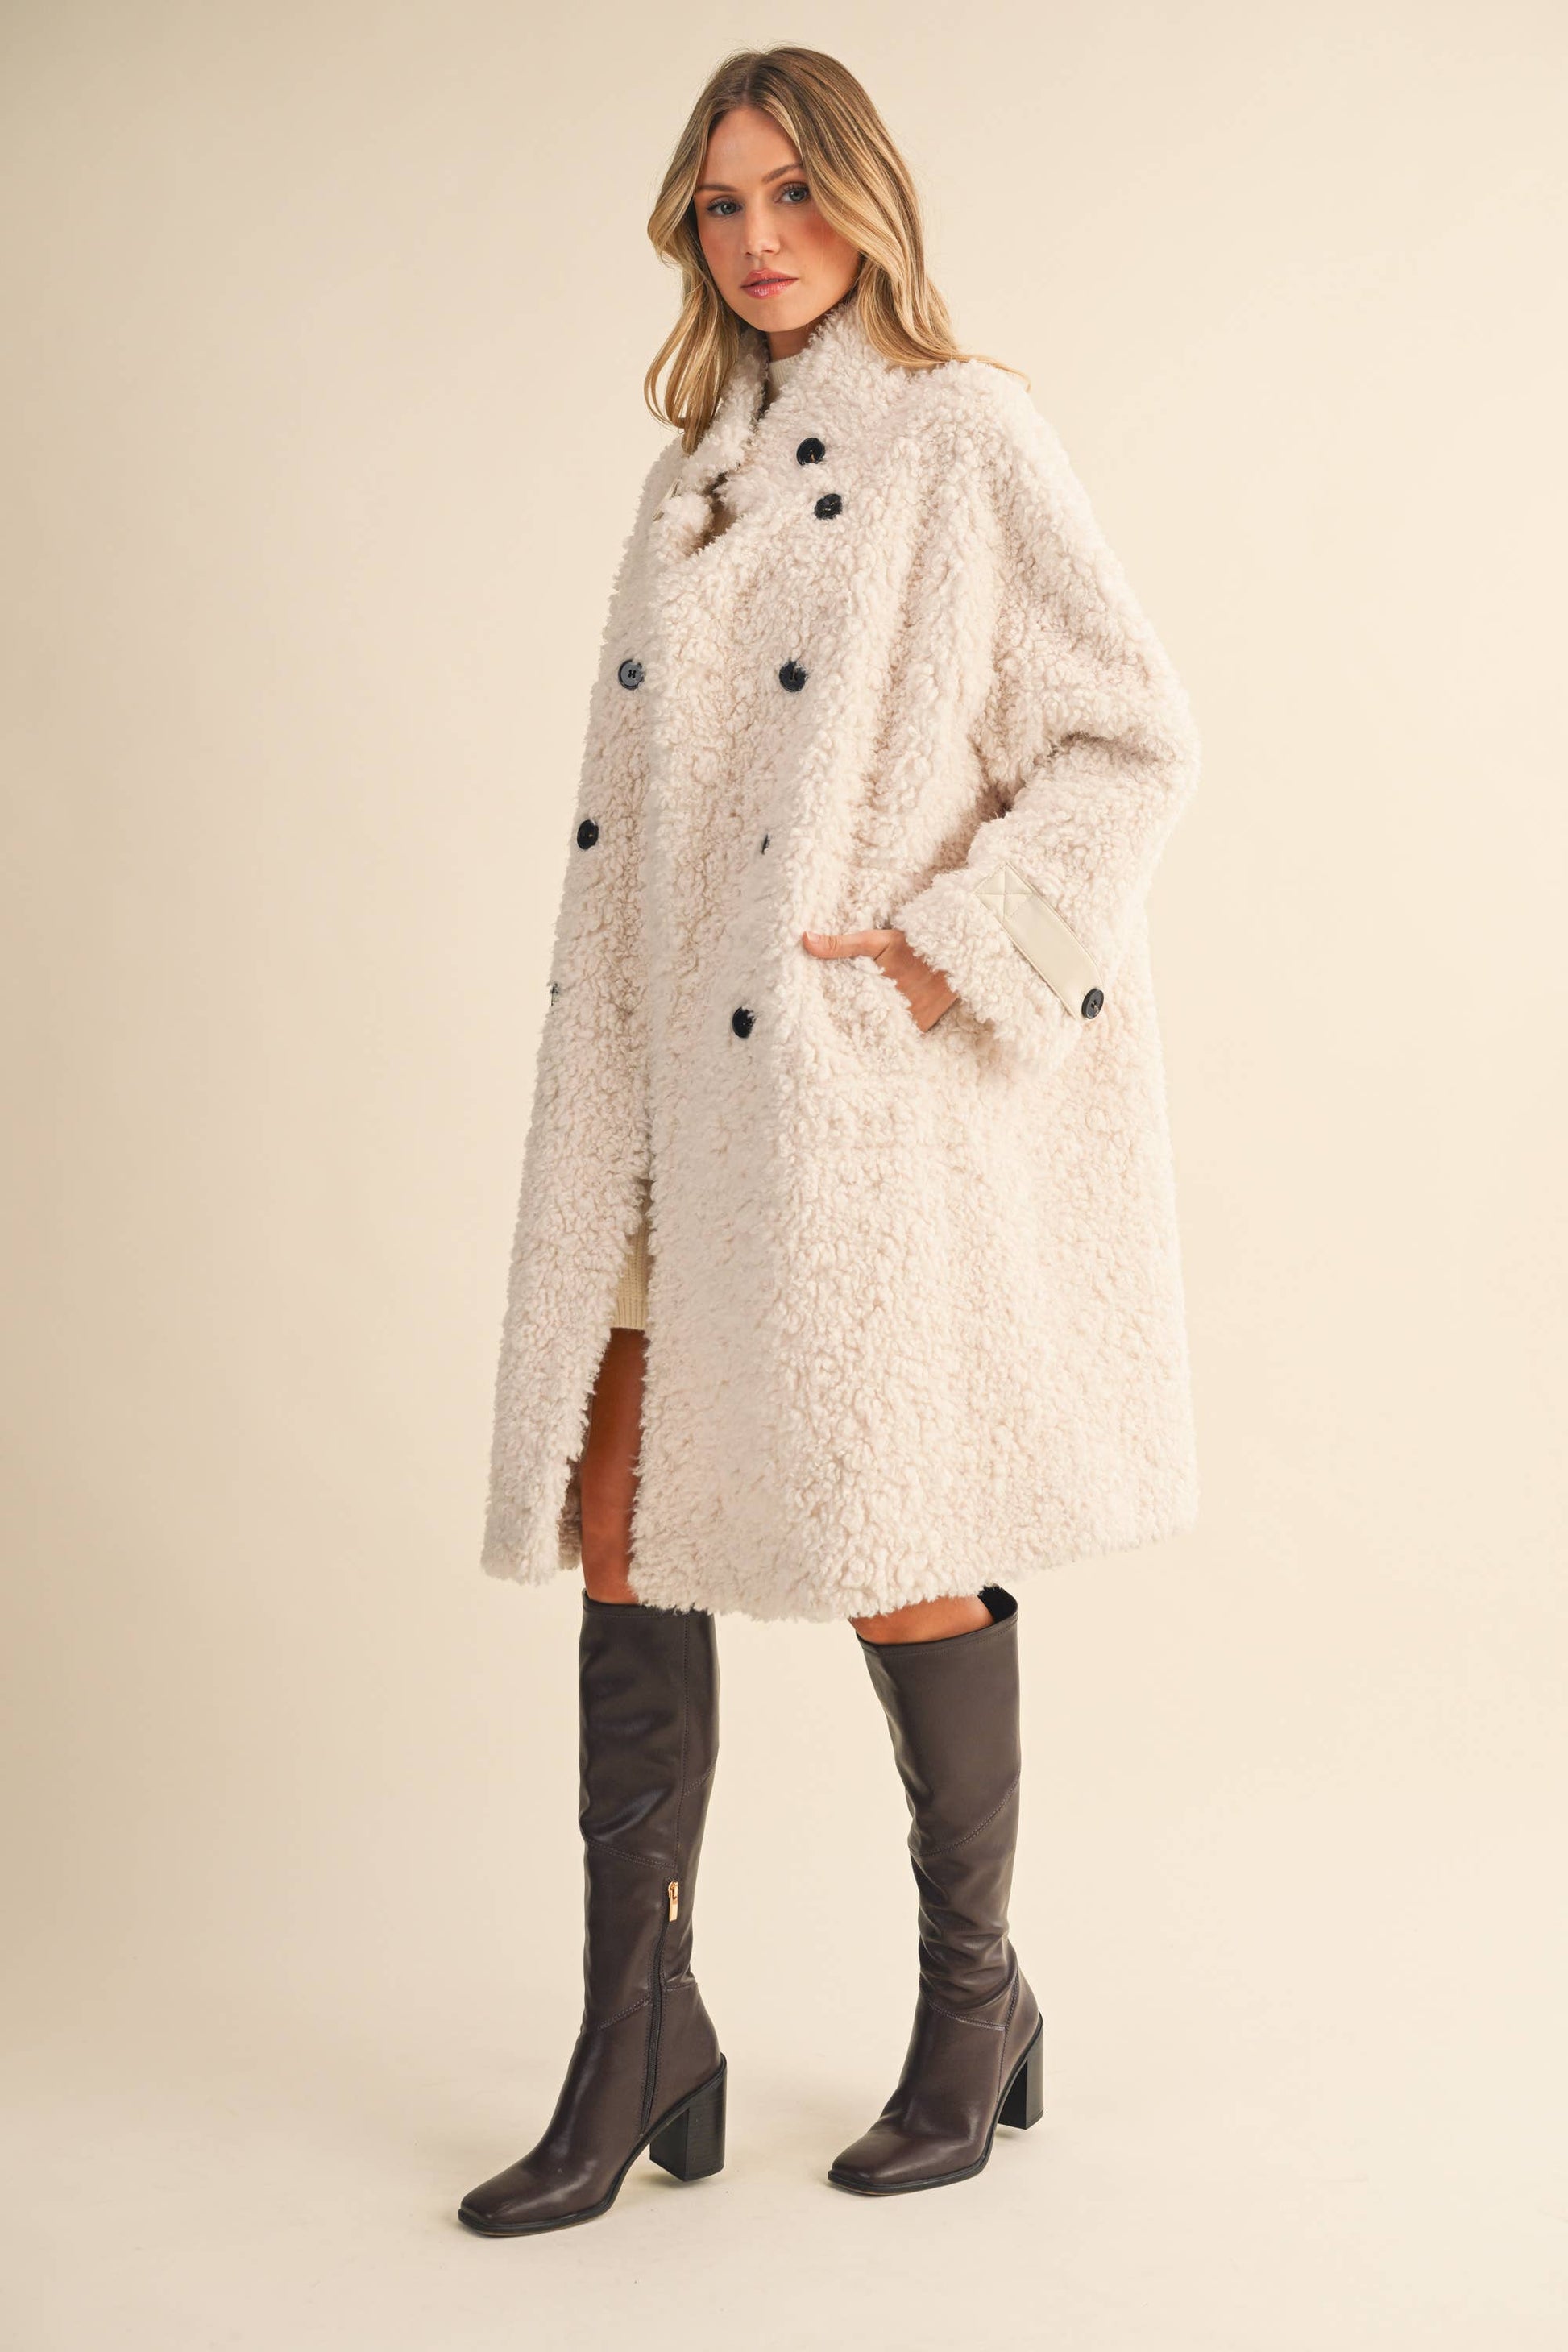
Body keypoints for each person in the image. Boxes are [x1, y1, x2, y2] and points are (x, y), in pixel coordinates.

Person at [462, 44, 1201, 2234]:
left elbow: (1129, 738)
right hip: (653, 1088)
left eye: (792, 193)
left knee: (893, 1529)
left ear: (865, 201)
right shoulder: (688, 469)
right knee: (621, 1532)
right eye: (721, 204)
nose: (759, 238)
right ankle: (636, 2035)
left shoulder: (963, 434)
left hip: (829, 1088)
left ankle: (975, 2002)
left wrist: (945, 954)